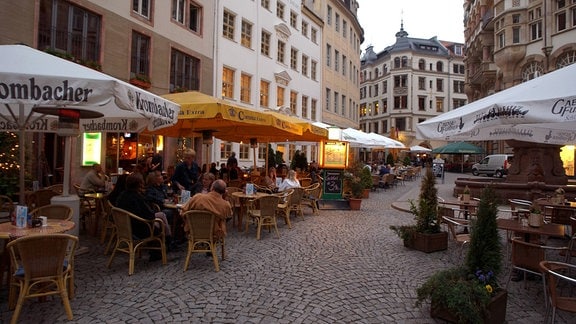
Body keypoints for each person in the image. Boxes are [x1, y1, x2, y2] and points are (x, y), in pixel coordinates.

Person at [115, 174, 171, 260]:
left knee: (161, 216)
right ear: (139, 184)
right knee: (159, 223)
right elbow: (149, 216)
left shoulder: (122, 195)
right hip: (139, 228)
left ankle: (165, 244)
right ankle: (165, 244)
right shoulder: (137, 198)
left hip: (125, 228)